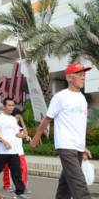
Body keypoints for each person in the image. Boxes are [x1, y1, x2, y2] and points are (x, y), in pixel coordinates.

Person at [30, 63, 92, 199]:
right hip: (65, 145)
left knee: (66, 184)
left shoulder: (82, 99)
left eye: (84, 74)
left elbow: (77, 125)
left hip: (78, 147)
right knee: (78, 183)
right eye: (79, 74)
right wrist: (36, 138)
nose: (83, 77)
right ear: (69, 77)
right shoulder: (60, 97)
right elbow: (47, 120)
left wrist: (83, 146)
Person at [3, 108, 31, 194]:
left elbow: (26, 134)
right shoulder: (8, 126)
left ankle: (23, 186)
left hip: (19, 151)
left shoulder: (19, 127)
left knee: (24, 168)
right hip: (10, 151)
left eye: (19, 118)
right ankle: (7, 186)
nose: (17, 119)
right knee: (7, 169)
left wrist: (22, 121)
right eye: (17, 117)